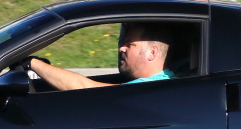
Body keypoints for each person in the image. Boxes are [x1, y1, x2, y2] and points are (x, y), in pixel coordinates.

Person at [20, 23, 176, 91]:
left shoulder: (147, 89)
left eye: (129, 44)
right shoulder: (169, 78)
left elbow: (82, 87)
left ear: (152, 53)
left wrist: (31, 62)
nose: (121, 48)